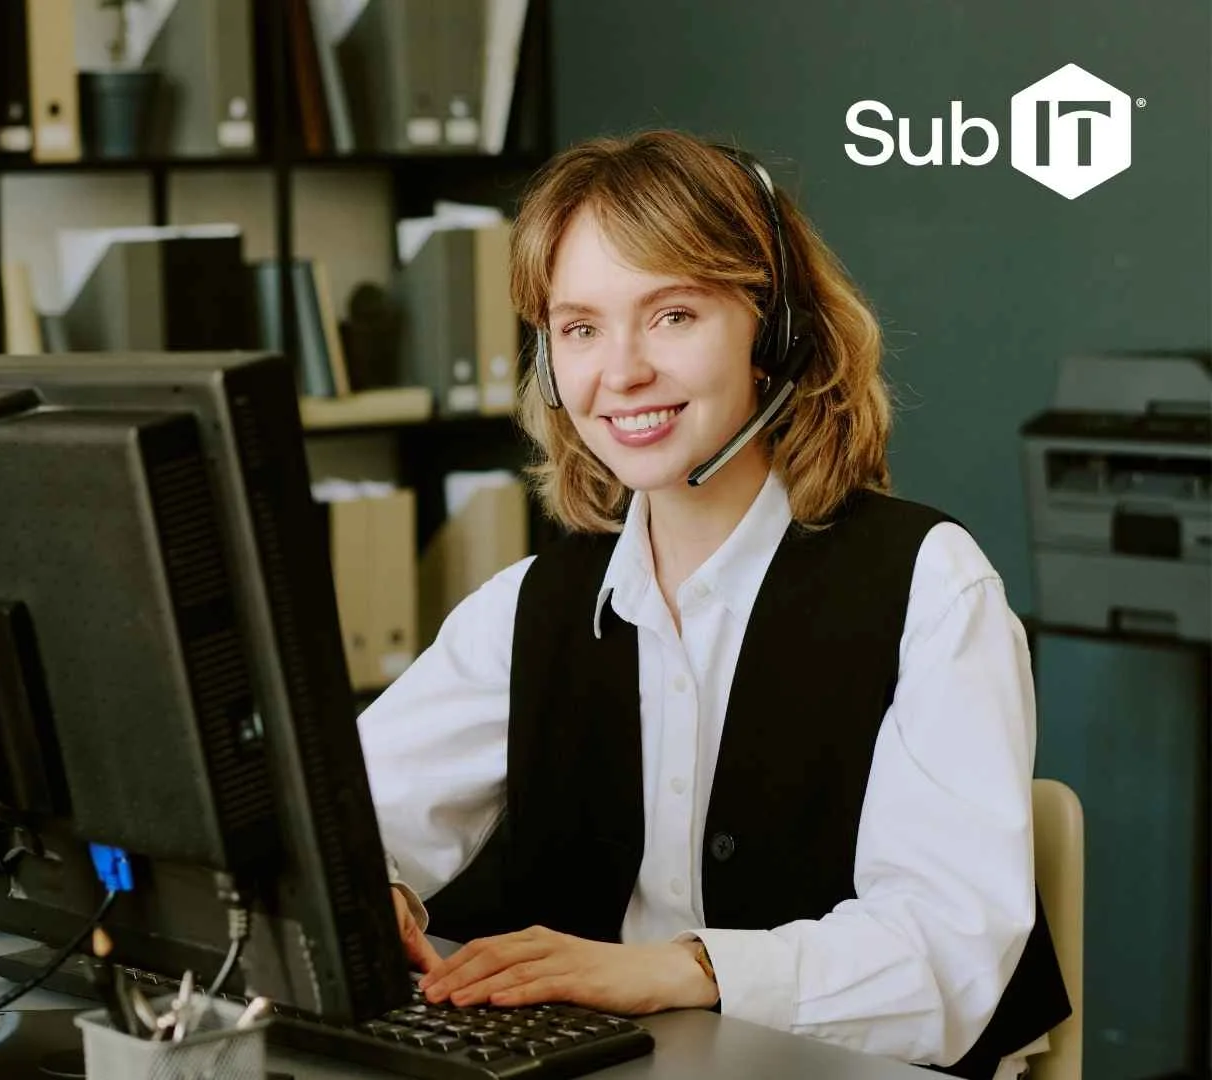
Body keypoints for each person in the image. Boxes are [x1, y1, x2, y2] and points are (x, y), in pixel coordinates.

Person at [357, 130, 1069, 1080]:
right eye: (579, 328)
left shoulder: (929, 588)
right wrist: (372, 892)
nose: (622, 371)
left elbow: (944, 953)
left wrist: (680, 971)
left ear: (773, 332)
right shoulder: (530, 608)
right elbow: (342, 817)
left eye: (674, 315)